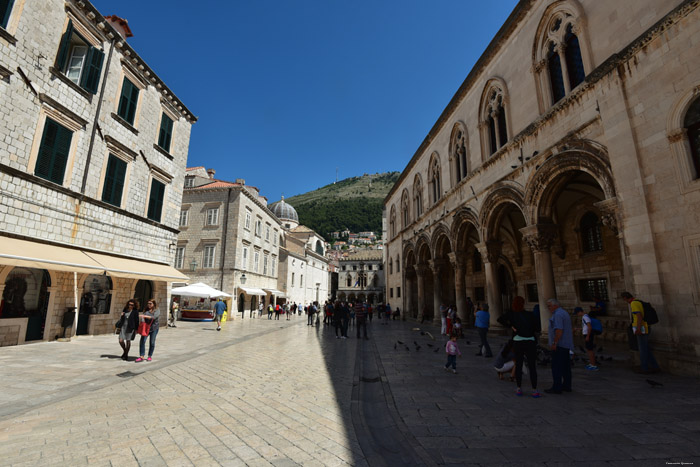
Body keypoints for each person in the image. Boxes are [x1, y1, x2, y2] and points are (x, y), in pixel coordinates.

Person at [500, 296, 540, 398]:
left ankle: (519, 388)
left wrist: (511, 326)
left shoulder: (512, 314)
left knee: (518, 364)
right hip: (530, 341)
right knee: (532, 366)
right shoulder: (530, 315)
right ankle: (534, 390)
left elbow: (500, 319)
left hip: (518, 341)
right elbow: (538, 327)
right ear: (523, 303)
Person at [622, 291, 660, 374]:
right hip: (645, 327)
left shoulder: (634, 304)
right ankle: (655, 366)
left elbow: (639, 316)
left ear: (625, 298)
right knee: (646, 348)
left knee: (642, 349)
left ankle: (644, 367)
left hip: (642, 328)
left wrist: (638, 329)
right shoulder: (638, 302)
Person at [545, 298, 574, 394]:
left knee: (556, 366)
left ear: (555, 305)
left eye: (549, 306)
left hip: (560, 345)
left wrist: (554, 343)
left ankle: (557, 387)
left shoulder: (557, 315)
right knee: (565, 366)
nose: (548, 308)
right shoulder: (564, 313)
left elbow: (559, 330)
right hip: (566, 344)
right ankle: (567, 385)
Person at [576, 306, 598, 371]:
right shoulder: (585, 317)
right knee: (589, 349)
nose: (577, 315)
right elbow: (586, 327)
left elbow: (589, 327)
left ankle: (593, 365)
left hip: (588, 335)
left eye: (577, 313)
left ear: (580, 312)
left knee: (590, 349)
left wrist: (588, 336)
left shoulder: (585, 317)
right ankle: (591, 363)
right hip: (587, 334)